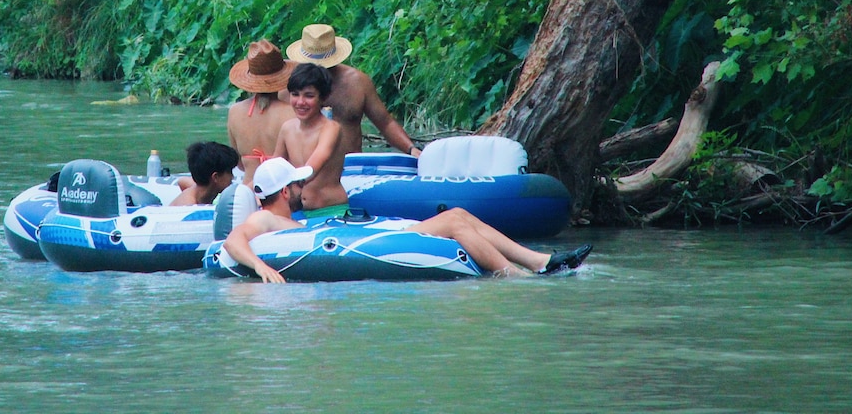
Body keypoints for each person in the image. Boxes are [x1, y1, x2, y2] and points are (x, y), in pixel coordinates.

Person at [224, 157, 592, 283]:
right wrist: (259, 266)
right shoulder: (268, 220)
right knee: (453, 222)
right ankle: (513, 275)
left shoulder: (290, 217)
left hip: (365, 234)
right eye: (298, 183)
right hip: (365, 245)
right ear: (286, 191)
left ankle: (538, 261)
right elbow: (233, 241)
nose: (303, 188)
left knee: (458, 215)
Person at [287, 23, 418, 157]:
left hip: (352, 167)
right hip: (305, 169)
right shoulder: (289, 84)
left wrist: (411, 149)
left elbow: (385, 122)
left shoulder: (358, 82)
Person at [273, 63, 348, 218]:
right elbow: (274, 166)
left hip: (330, 211)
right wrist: (249, 189)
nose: (300, 102)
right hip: (297, 212)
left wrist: (290, 183)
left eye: (309, 96)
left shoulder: (331, 128)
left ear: (323, 98)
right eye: (295, 94)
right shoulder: (287, 128)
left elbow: (312, 168)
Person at [226, 39, 295, 183]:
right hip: (280, 190)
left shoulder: (234, 112)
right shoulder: (291, 112)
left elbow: (239, 164)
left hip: (248, 189)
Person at [169, 141, 241, 206]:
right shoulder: (189, 206)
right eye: (229, 172)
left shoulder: (198, 188)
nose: (232, 176)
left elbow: (182, 181)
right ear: (215, 177)